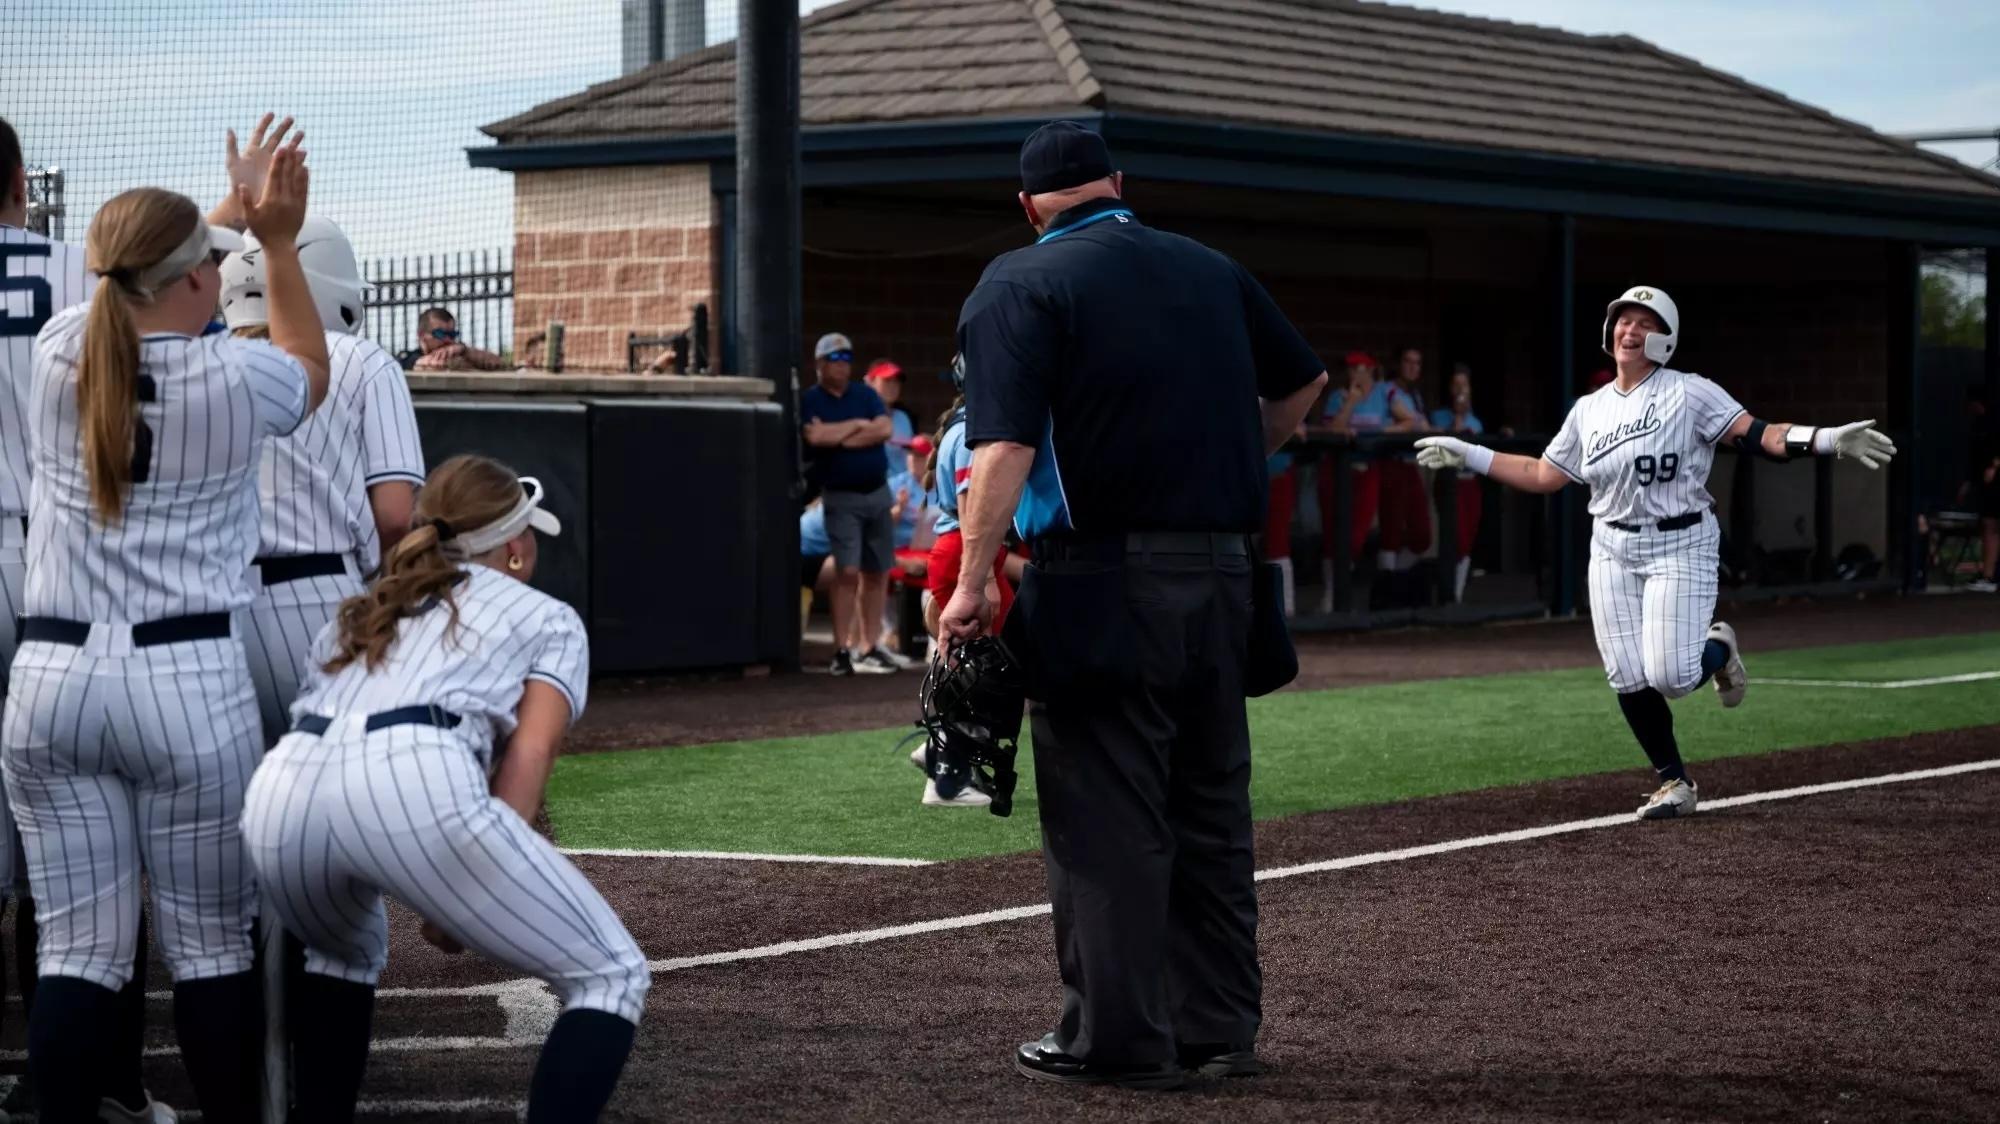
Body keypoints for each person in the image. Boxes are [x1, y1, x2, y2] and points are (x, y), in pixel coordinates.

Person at [940, 121, 1327, 1088]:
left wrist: (971, 579)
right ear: (1117, 183)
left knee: (1106, 816)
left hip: (1103, 580)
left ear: (1029, 206)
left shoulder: (1018, 281)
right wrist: (1221, 462)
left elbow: (1001, 452)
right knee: (1208, 805)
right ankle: (1219, 1031)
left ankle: (1113, 1041)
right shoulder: (1208, 266)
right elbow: (1303, 385)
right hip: (1227, 578)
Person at [6, 143, 329, 1121]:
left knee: (78, 952)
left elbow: (139, 291)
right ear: (193, 275)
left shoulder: (66, 342)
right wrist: (272, 244)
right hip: (186, 679)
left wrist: (225, 226)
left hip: (51, 677)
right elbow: (309, 364)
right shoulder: (235, 381)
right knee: (209, 947)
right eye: (204, 268)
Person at [241, 455, 647, 1122]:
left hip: (282, 792)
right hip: (411, 776)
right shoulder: (546, 614)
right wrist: (458, 903)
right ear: (514, 547)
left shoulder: (363, 610)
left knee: (344, 953)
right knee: (611, 975)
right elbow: (531, 753)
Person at [1417, 286, 1895, 820]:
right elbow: (1543, 474)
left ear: (1665, 338)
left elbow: (1760, 435)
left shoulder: (1690, 393)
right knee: (1627, 674)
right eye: (1624, 321)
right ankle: (1675, 782)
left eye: (1645, 323)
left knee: (1670, 674)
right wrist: (1470, 454)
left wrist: (1826, 439)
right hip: (1612, 547)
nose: (1630, 331)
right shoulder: (1589, 409)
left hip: (1681, 541)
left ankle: (1720, 649)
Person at [1, 114, 174, 1124]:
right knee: (80, 830)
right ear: (22, 179)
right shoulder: (80, 269)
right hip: (63, 566)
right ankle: (95, 1075)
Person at [221, 216, 427, 743]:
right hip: (318, 602)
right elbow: (395, 516)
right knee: (342, 787)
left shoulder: (207, 360)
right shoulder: (364, 361)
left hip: (211, 610)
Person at [800, 331, 902, 676]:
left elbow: (884, 429)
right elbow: (815, 436)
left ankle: (869, 646)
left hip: (877, 492)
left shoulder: (864, 394)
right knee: (847, 572)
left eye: (846, 359)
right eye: (834, 359)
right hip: (840, 495)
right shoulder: (812, 399)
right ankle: (841, 649)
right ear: (820, 363)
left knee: (877, 571)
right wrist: (859, 426)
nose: (841, 365)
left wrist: (839, 435)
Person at [1307, 351, 1389, 612]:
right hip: (1338, 472)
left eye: (1361, 369)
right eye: (1352, 369)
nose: (1356, 374)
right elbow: (1333, 429)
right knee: (1333, 533)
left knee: (1356, 536)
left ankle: (1342, 590)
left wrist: (1387, 430)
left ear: (1371, 370)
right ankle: (1333, 594)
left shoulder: (1381, 395)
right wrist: (1351, 402)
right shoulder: (1337, 398)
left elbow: (1406, 421)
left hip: (1367, 471)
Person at [1375, 345, 1434, 603]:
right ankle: (1385, 592)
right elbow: (1410, 421)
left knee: (1422, 535)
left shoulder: (1417, 396)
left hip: (1412, 465)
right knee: (1391, 530)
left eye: (1417, 363)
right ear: (1398, 364)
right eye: (1408, 362)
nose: (1412, 367)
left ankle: (1396, 581)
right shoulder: (1386, 389)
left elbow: (1422, 426)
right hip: (1391, 463)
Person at [1429, 361, 1486, 602]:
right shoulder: (1439, 416)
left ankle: (1457, 594)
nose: (1461, 391)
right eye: (1457, 385)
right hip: (1446, 483)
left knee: (1468, 539)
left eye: (1465, 386)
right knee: (1455, 538)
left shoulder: (1476, 422)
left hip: (1469, 482)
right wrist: (1458, 419)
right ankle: (1447, 594)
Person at [1957, 387, 1998, 593]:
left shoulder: (1994, 422)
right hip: (1986, 485)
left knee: (1991, 525)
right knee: (1988, 525)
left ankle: (1989, 575)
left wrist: (1994, 465)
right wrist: (1969, 482)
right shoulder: (1977, 426)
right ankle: (1988, 575)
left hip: (1995, 484)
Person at [396, 307, 504, 372]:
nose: (447, 340)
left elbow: (497, 362)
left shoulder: (461, 352)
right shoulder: (408, 358)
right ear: (422, 335)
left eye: (452, 334)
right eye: (440, 334)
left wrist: (464, 350)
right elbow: (428, 364)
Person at [864, 358, 916, 477]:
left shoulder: (903, 417)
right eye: (887, 380)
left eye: (896, 381)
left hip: (905, 491)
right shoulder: (861, 417)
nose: (893, 386)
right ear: (870, 382)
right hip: (874, 490)